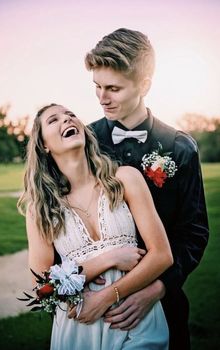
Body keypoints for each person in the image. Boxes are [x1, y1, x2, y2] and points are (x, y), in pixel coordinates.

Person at [85, 28, 209, 350]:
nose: (102, 98)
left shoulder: (179, 148)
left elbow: (193, 232)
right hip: (97, 304)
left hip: (163, 305)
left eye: (113, 88)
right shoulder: (83, 143)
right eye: (97, 86)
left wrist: (158, 288)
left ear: (144, 85)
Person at [18, 103, 173, 350]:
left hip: (135, 319)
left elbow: (162, 256)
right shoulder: (41, 208)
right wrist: (109, 259)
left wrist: (107, 297)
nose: (67, 119)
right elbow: (43, 287)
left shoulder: (124, 178)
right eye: (53, 120)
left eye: (70, 115)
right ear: (44, 145)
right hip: (80, 329)